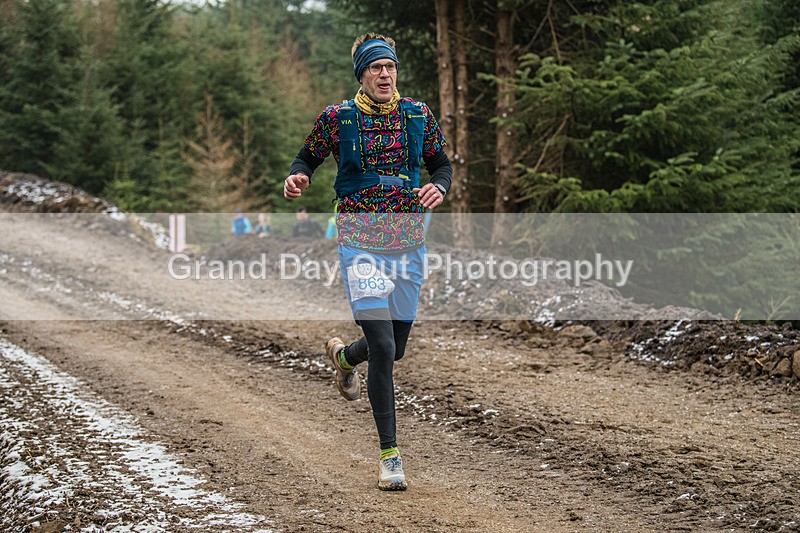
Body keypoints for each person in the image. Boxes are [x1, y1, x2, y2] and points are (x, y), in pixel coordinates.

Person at [283, 33, 451, 491]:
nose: (384, 74)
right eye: (375, 68)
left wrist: (441, 185)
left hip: (408, 243)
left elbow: (442, 164)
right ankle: (390, 456)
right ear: (361, 74)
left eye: (390, 67)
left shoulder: (418, 114)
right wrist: (298, 176)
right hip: (359, 243)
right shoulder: (337, 118)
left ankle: (342, 357)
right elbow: (306, 158)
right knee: (381, 345)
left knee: (393, 348)